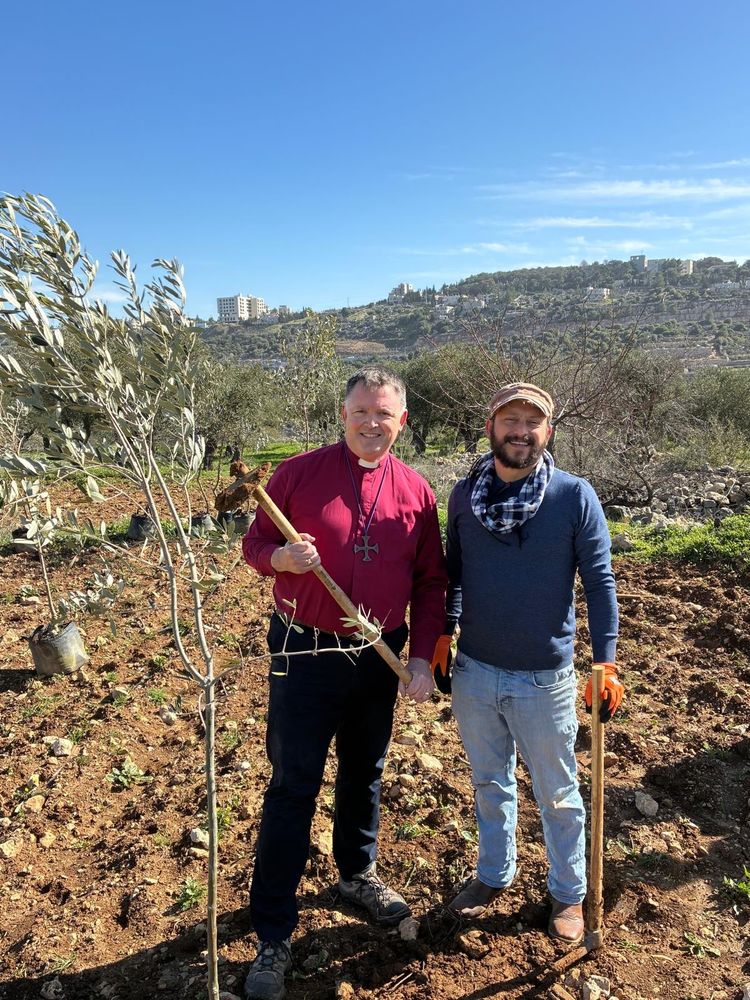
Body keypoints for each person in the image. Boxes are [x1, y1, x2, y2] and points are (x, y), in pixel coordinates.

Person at [242, 367, 447, 1000]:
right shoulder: (296, 474)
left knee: (365, 769)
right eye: (361, 412)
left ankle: (356, 874)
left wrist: (421, 659)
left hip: (377, 652)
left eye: (383, 414)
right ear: (343, 414)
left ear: (402, 421)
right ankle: (273, 930)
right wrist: (282, 558)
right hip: (302, 650)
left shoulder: (417, 491)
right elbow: (255, 546)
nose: (371, 423)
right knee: (293, 784)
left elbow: (430, 583)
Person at [432, 381, 622, 945]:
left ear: (548, 432)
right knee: (489, 782)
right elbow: (454, 574)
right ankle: (494, 874)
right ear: (490, 428)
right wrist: (444, 631)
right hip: (475, 672)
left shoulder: (573, 496)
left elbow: (599, 582)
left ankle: (568, 893)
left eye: (532, 422)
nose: (521, 432)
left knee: (559, 794)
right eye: (510, 420)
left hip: (544, 677)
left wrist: (606, 662)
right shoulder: (464, 496)